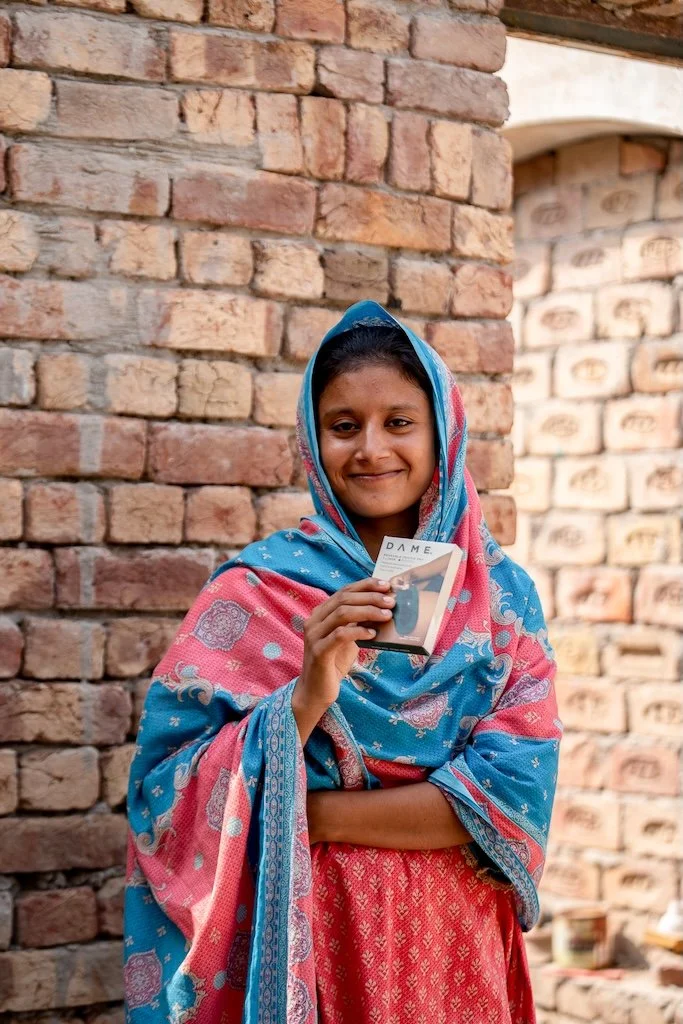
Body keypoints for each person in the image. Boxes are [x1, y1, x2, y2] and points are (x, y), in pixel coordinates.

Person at [124, 300, 561, 1024]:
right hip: (307, 931)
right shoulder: (257, 591)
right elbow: (163, 793)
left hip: (452, 938)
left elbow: (511, 788)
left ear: (442, 432)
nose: (371, 450)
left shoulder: (498, 596)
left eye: (398, 422)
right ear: (312, 438)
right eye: (343, 426)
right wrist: (304, 696)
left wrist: (311, 814)